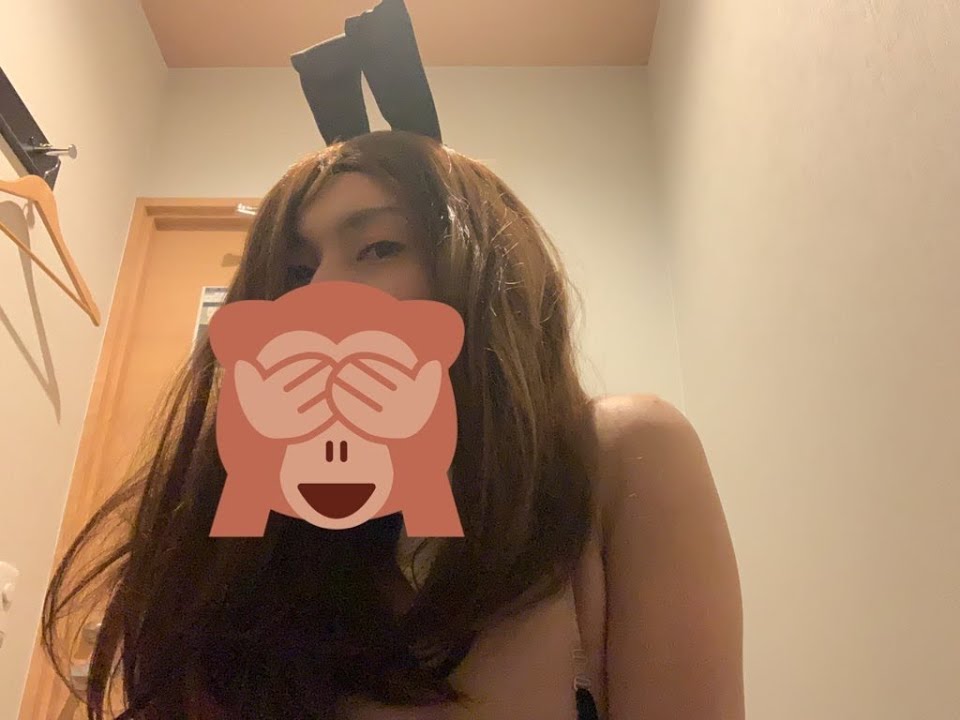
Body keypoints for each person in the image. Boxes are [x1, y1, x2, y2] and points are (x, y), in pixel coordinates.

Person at [43, 130, 744, 720]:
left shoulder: (619, 457)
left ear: (483, 272)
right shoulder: (263, 538)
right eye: (296, 273)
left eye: (378, 247)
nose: (319, 292)